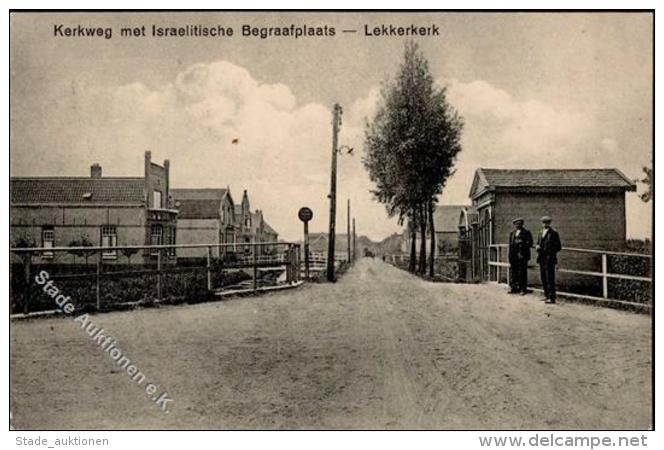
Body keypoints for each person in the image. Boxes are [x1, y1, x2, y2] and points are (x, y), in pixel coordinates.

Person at [536, 216, 562, 304]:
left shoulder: (554, 233)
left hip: (549, 259)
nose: (545, 224)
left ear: (549, 223)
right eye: (543, 222)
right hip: (541, 258)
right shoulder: (540, 232)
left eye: (546, 222)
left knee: (550, 278)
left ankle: (552, 297)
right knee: (543, 277)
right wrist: (537, 246)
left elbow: (558, 246)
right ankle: (546, 295)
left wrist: (549, 251)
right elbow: (538, 243)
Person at [508, 217, 533, 295]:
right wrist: (510, 255)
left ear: (522, 224)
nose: (518, 225)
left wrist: (522, 242)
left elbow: (530, 243)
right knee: (514, 272)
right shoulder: (512, 233)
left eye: (520, 223)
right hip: (514, 256)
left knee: (522, 272)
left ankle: (523, 289)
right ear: (514, 225)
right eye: (517, 224)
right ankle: (514, 288)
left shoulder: (526, 232)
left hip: (522, 256)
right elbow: (510, 245)